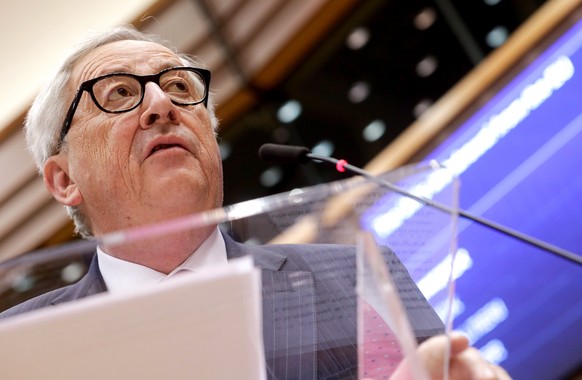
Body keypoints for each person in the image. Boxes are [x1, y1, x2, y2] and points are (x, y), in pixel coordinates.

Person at [0, 26, 509, 379]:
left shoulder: (352, 279)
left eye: (179, 87)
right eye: (117, 95)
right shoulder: (18, 348)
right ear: (64, 178)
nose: (161, 105)